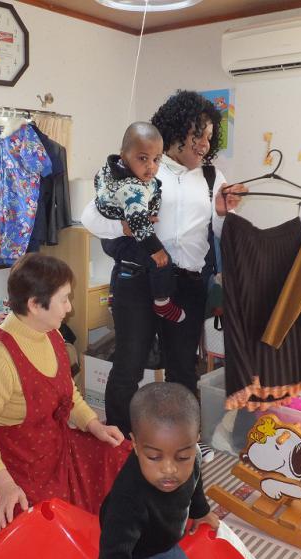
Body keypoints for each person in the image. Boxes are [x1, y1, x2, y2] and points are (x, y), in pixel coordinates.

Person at [82, 90, 246, 437]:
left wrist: (223, 212)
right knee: (128, 365)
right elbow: (90, 218)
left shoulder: (213, 177)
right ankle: (119, 442)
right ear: (176, 129)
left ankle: (178, 441)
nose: (204, 144)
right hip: (137, 280)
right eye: (197, 134)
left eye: (209, 138)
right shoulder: (144, 167)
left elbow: (219, 233)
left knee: (182, 369)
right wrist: (124, 226)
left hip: (187, 285)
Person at [0, 254, 131, 538]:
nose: (69, 307)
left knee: (120, 455)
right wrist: (5, 486)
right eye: (64, 299)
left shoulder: (52, 334)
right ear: (34, 305)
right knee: (48, 532)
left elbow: (68, 392)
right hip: (16, 466)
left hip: (55, 446)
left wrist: (94, 425)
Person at [96, 382, 219, 559]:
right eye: (154, 457)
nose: (169, 469)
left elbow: (195, 481)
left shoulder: (194, 455)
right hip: (144, 546)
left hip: (165, 525)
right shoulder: (128, 500)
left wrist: (200, 511)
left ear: (195, 442)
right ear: (135, 444)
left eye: (182, 457)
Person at [94, 122, 183, 322]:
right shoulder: (132, 186)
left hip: (111, 237)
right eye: (143, 158)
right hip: (121, 237)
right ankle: (162, 303)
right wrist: (156, 250)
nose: (151, 166)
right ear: (124, 156)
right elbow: (139, 224)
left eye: (156, 159)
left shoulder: (112, 171)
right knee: (161, 262)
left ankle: (113, 297)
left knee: (122, 261)